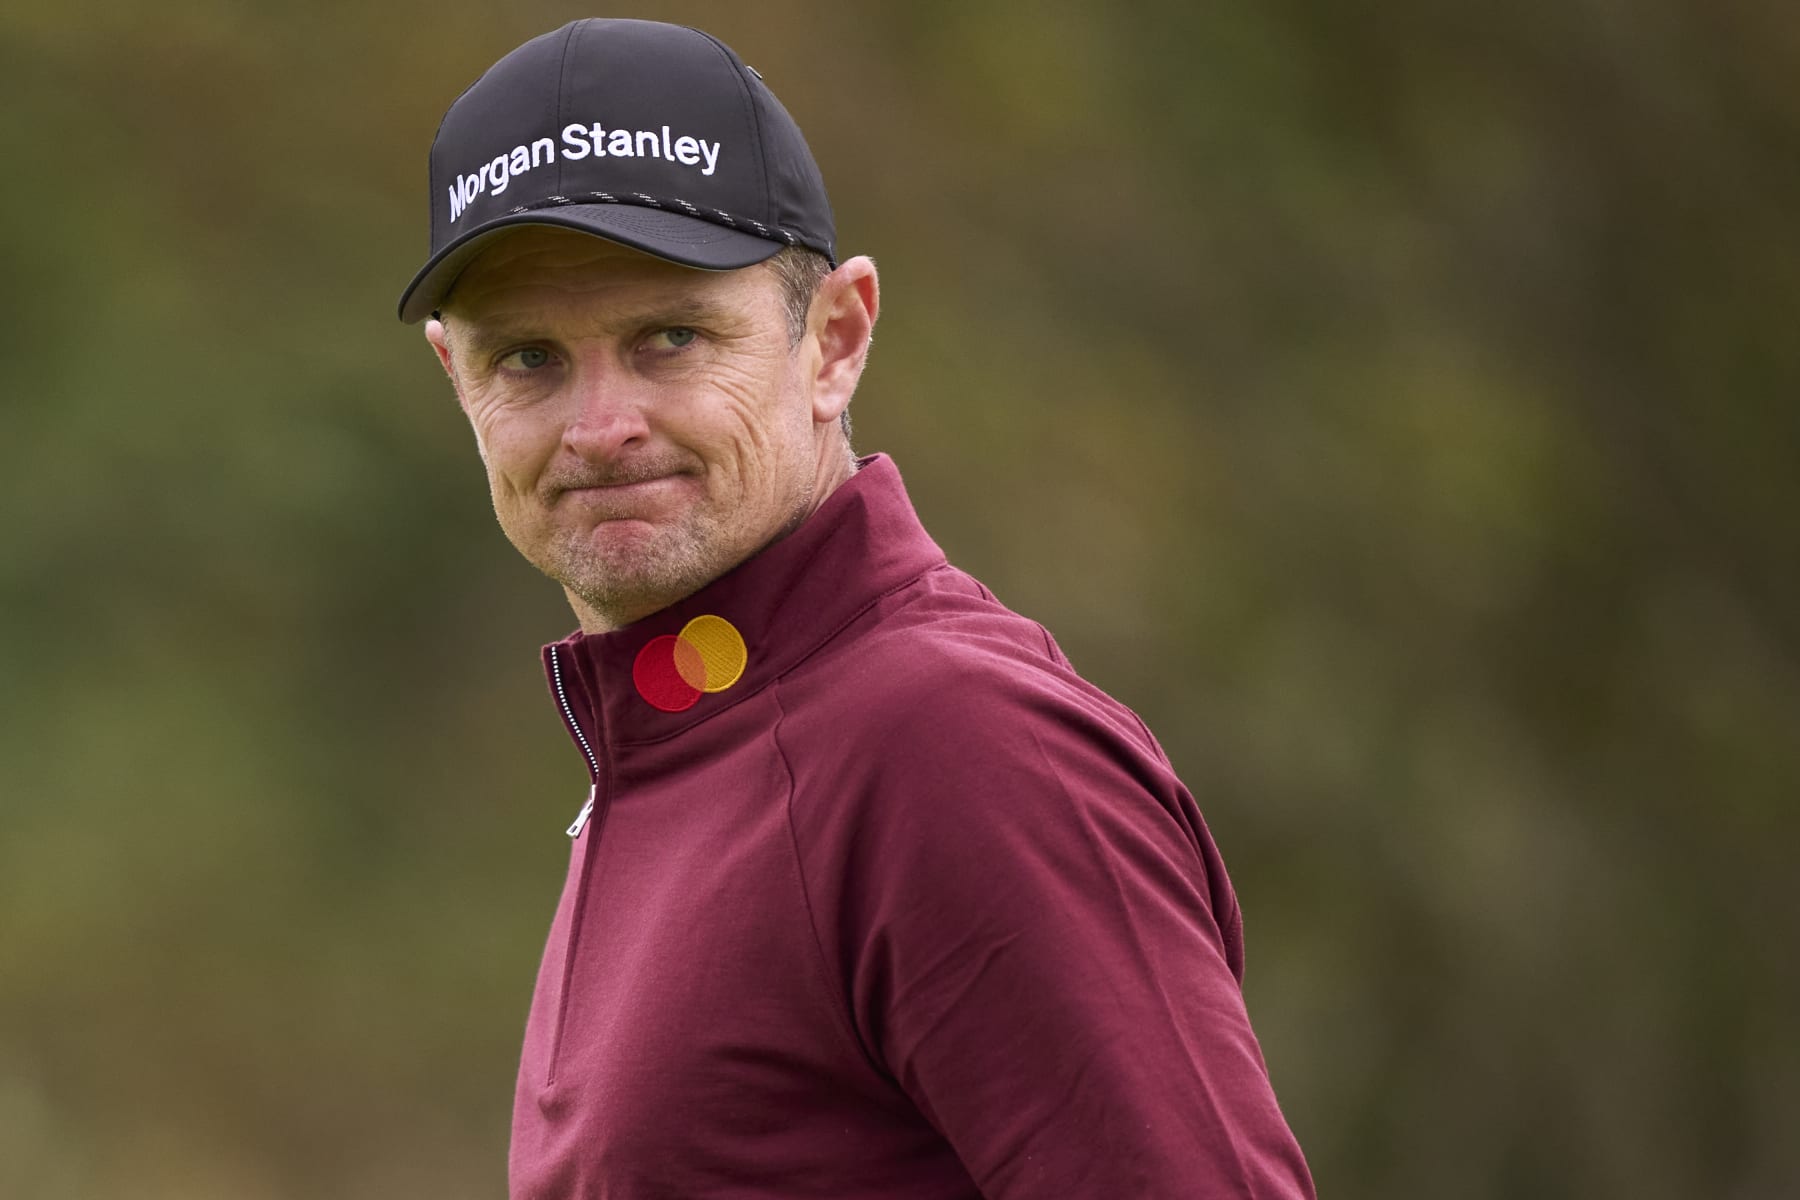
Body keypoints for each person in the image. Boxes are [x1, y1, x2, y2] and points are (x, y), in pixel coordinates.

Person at [397, 18, 1315, 1199]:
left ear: (834, 340)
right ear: (453, 379)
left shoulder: (954, 742)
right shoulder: (676, 740)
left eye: (671, 337)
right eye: (527, 359)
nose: (599, 426)